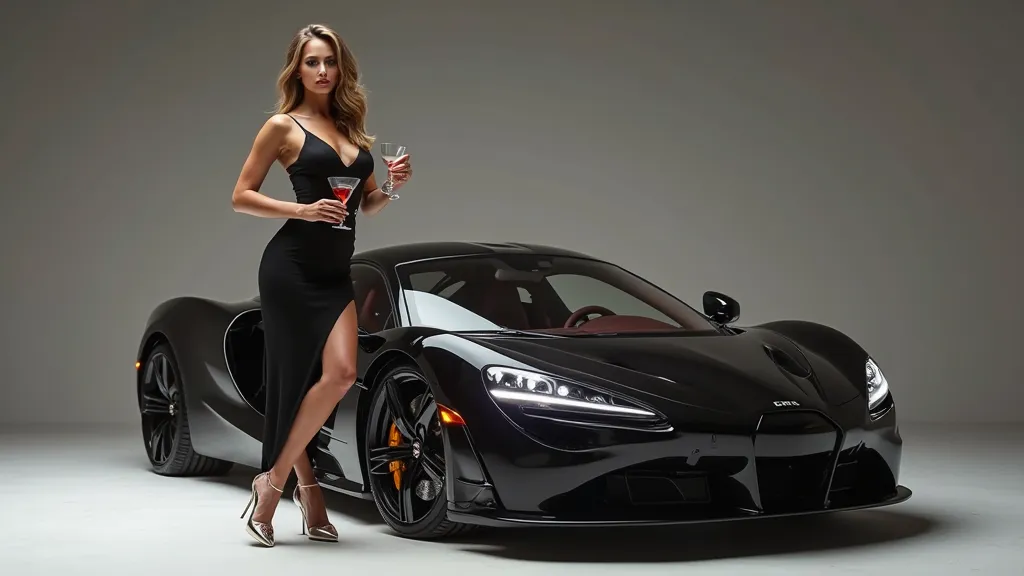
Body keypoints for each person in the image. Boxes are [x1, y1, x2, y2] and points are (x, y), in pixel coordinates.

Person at [230, 23, 411, 547]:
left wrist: (394, 187)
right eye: (312, 61)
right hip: (289, 269)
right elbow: (241, 195)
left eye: (330, 61)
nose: (323, 71)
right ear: (298, 68)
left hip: (335, 273)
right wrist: (301, 209)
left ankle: (279, 481)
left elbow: (367, 206)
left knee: (340, 374)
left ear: (341, 67)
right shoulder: (281, 126)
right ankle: (293, 492)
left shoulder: (353, 130)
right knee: (293, 384)